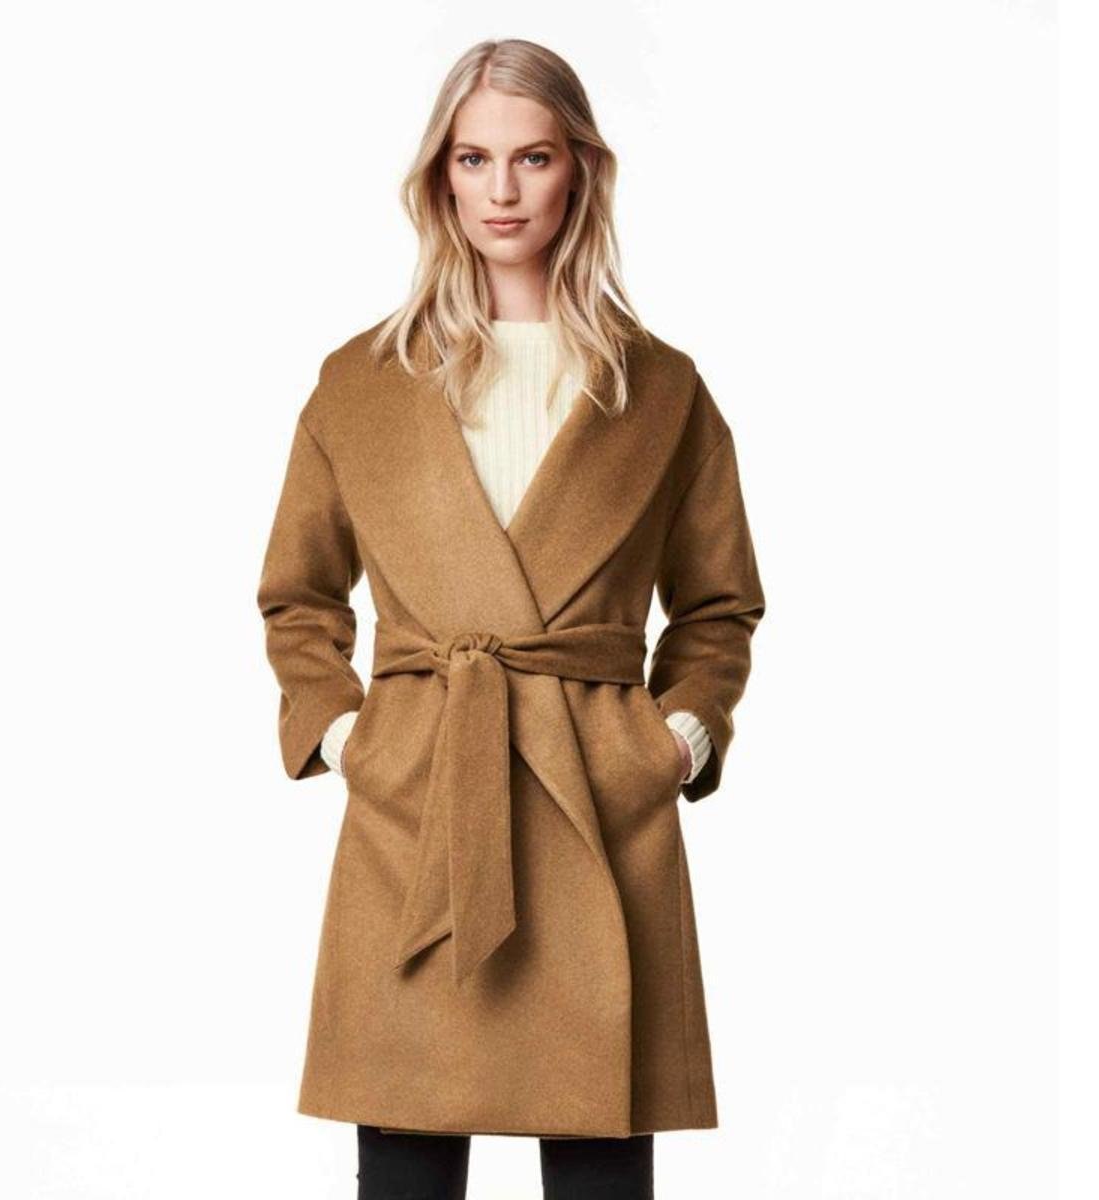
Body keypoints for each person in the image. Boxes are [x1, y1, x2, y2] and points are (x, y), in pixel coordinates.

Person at [256, 37, 766, 1200]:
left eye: (533, 157)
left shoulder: (661, 389)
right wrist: (351, 735)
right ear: (439, 176)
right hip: (420, 804)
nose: (501, 190)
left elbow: (719, 603)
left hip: (600, 801)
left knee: (598, 1172)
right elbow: (297, 594)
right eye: (472, 159)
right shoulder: (359, 383)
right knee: (405, 1168)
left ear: (581, 168)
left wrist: (676, 738)